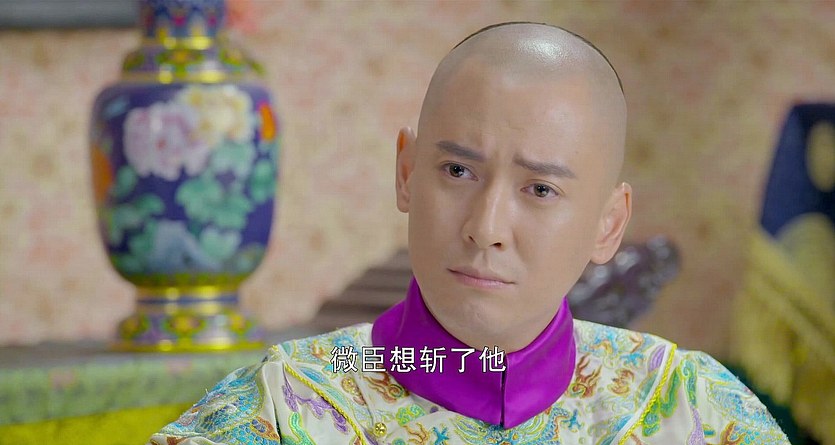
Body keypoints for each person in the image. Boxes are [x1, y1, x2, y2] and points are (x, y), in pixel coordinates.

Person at [149, 22, 789, 445]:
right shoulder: (285, 407)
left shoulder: (691, 408)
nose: (485, 229)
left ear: (608, 224)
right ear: (406, 173)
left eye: (540, 190)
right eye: (458, 171)